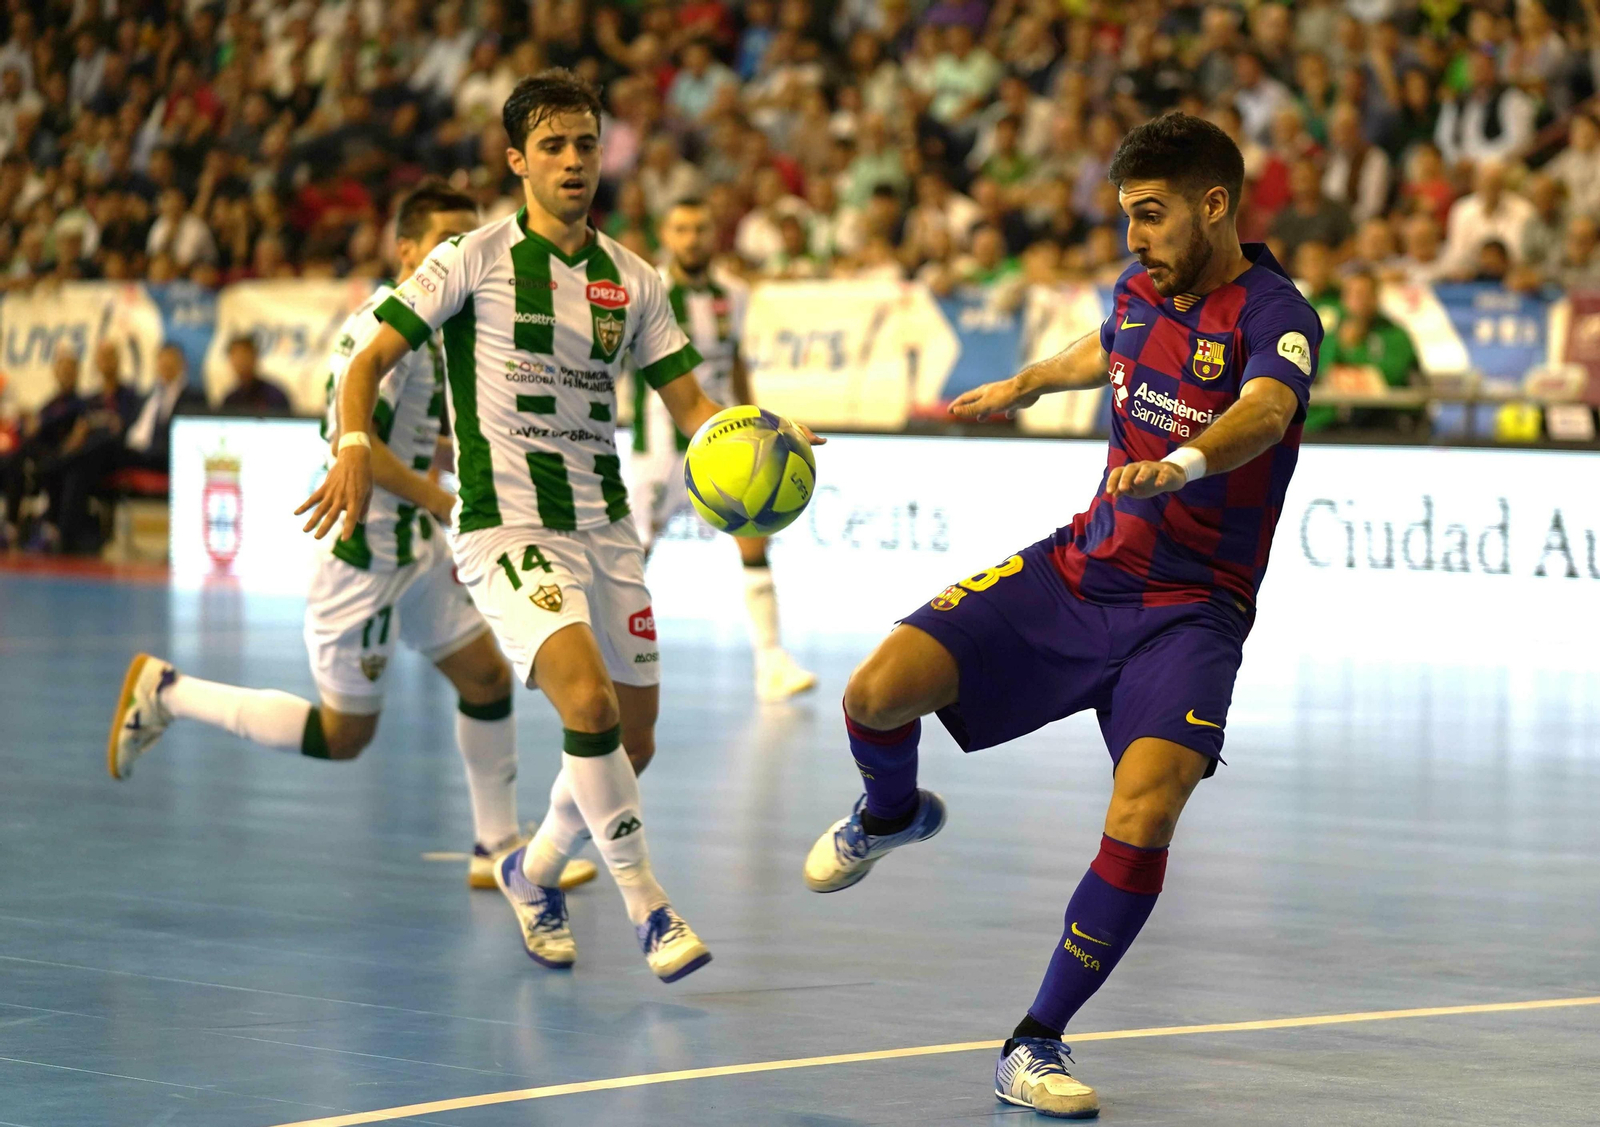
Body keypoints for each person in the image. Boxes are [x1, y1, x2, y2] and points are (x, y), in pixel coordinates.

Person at [801, 113, 1320, 1118]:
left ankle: (1033, 1039)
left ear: (1215, 204)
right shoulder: (1137, 287)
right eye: (1126, 214)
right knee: (875, 691)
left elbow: (1263, 410)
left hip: (1192, 613)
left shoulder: (1275, 310)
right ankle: (891, 811)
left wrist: (1179, 462)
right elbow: (1110, 339)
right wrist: (1030, 381)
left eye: (1151, 214)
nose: (1133, 236)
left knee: (1147, 807)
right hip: (1083, 572)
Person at [300, 70, 821, 982]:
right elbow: (371, 358)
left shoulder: (635, 278)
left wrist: (763, 432)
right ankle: (648, 906)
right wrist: (351, 439)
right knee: (588, 704)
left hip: (605, 525)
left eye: (585, 144)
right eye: (553, 147)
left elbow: (694, 402)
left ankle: (532, 871)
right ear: (517, 161)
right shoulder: (470, 257)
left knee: (636, 738)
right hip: (505, 524)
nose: (574, 161)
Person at [108, 181, 597, 895]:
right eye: (443, 243)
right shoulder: (382, 331)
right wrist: (443, 499)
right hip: (362, 553)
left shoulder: (444, 323)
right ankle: (167, 692)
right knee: (345, 737)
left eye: (467, 243)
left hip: (416, 550)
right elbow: (351, 439)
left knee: (487, 678)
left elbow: (436, 432)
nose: (459, 257)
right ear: (405, 251)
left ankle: (496, 846)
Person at [629, 197, 817, 701]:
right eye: (681, 229)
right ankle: (614, 652)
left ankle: (771, 663)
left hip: (727, 444)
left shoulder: (734, 292)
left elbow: (734, 363)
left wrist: (760, 424)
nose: (692, 238)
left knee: (755, 535)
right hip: (660, 446)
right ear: (666, 237)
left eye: (701, 228)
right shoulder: (647, 292)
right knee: (633, 555)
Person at [219, 336, 292, 414]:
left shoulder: (275, 395)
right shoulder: (230, 399)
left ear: (254, 356)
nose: (241, 362)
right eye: (236, 356)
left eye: (244, 355)